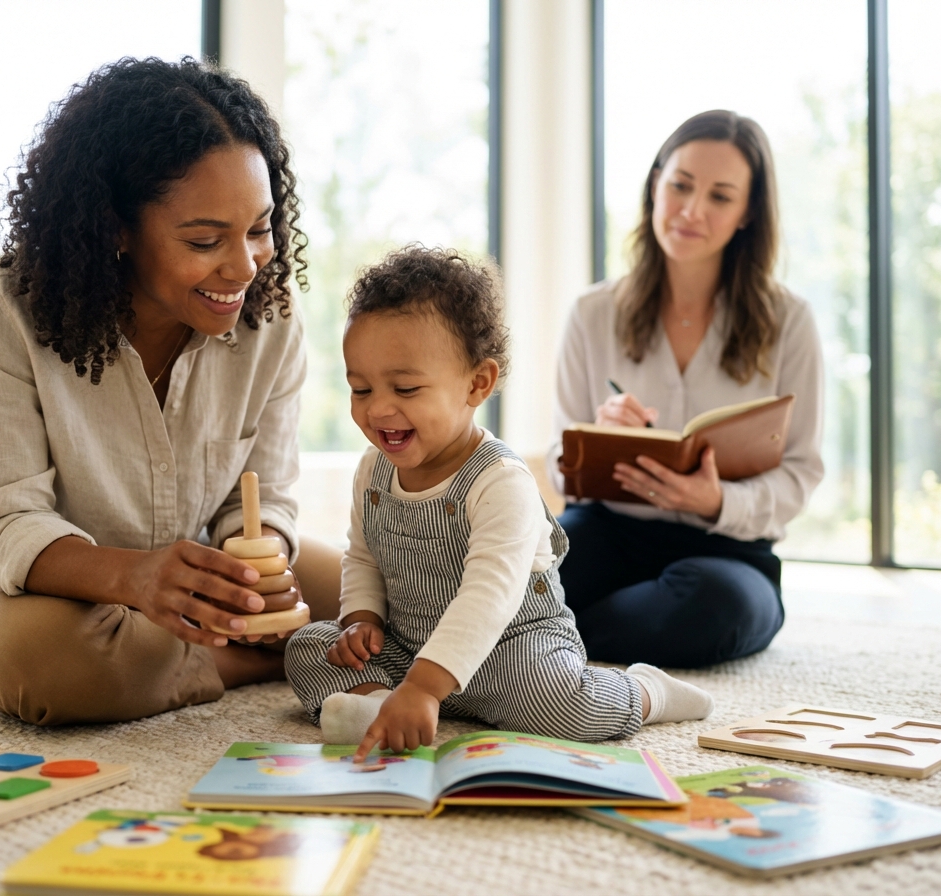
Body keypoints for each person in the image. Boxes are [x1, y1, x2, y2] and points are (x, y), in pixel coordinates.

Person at [0, 57, 342, 726]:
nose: (244, 267)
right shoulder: (0, 306)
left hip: (190, 574)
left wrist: (256, 565)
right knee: (54, 668)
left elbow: (263, 495)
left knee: (383, 596)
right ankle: (263, 659)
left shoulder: (271, 316)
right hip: (23, 591)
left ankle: (200, 650)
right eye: (206, 240)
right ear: (115, 228)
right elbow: (5, 524)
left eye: (260, 228)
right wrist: (135, 579)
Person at [284, 247, 713, 759]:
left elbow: (489, 596)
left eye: (405, 387)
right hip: (409, 642)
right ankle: (381, 703)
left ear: (477, 383)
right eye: (360, 388)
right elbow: (362, 555)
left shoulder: (501, 481)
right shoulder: (372, 471)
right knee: (308, 645)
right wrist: (361, 621)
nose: (378, 408)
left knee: (560, 706)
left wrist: (424, 687)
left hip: (511, 650)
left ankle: (645, 691)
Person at [545, 110, 825, 669]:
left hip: (727, 551)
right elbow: (558, 465)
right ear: (655, 184)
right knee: (534, 576)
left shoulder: (789, 320)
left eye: (721, 196)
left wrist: (717, 500)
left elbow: (801, 472)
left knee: (714, 607)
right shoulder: (593, 313)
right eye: (679, 185)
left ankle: (545, 644)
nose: (692, 211)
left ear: (748, 212)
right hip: (607, 531)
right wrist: (596, 441)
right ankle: (551, 633)